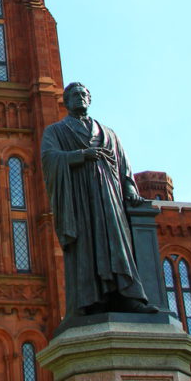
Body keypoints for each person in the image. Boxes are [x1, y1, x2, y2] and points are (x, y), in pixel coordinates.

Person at [41, 82, 157, 317]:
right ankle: (93, 299)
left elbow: (123, 165)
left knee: (118, 244)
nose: (80, 98)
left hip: (109, 199)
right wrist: (81, 155)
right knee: (88, 246)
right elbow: (49, 158)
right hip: (81, 199)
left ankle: (127, 297)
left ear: (90, 99)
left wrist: (130, 189)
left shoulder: (109, 133)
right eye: (74, 95)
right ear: (65, 101)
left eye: (83, 94)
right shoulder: (56, 131)